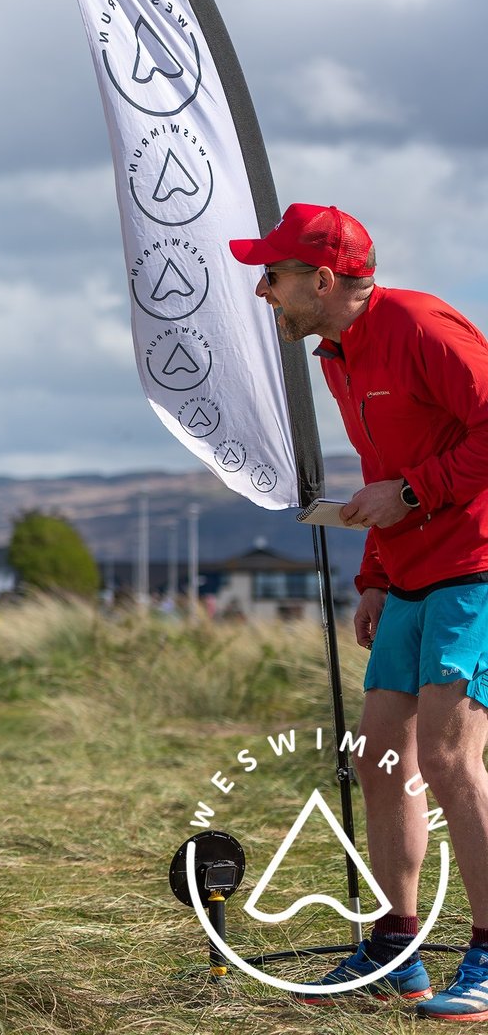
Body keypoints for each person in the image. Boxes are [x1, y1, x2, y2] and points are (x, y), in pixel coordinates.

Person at [231, 203, 488, 1018]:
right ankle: (394, 949)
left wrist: (414, 493)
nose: (263, 290)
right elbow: (383, 464)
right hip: (410, 576)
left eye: (272, 275)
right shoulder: (336, 352)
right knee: (383, 760)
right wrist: (375, 572)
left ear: (323, 279)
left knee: (450, 760)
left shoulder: (419, 324)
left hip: (476, 568)